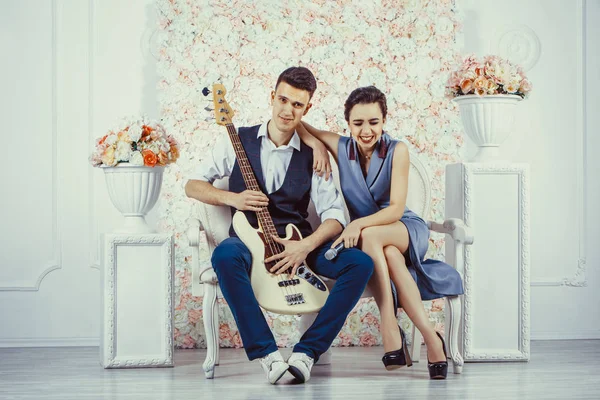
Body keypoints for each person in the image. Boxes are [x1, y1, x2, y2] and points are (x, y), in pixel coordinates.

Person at [185, 67, 374, 384]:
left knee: (360, 263)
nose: (288, 110)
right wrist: (233, 199)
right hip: (247, 242)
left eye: (297, 105)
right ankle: (268, 355)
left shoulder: (315, 156)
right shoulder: (237, 140)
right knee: (223, 257)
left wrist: (306, 245)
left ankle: (307, 353)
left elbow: (335, 217)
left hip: (298, 241)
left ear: (307, 108)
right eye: (283, 100)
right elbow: (193, 185)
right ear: (272, 97)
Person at [297, 86, 464, 380]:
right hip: (378, 243)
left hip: (404, 229)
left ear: (384, 121)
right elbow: (296, 122)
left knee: (374, 238)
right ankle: (431, 336)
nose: (366, 131)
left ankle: (388, 323)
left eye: (373, 122)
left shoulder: (398, 150)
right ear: (347, 124)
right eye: (358, 123)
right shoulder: (341, 147)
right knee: (387, 254)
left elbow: (396, 209)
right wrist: (317, 144)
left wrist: (357, 224)